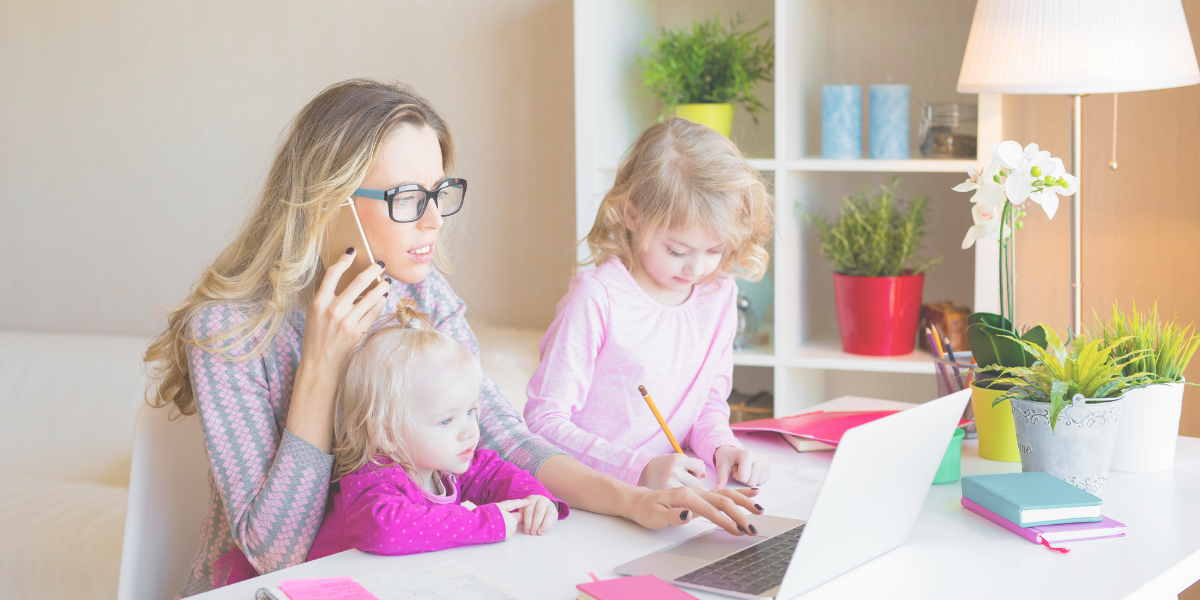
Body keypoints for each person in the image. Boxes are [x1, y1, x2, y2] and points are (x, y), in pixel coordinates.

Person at [143, 79, 763, 597]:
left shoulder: (421, 294)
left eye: (439, 193)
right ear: (325, 198)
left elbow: (509, 440)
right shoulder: (229, 330)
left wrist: (629, 500)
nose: (435, 220)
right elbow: (277, 553)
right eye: (408, 198)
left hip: (404, 574)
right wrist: (321, 366)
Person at [524, 118, 774, 491]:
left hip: (668, 494)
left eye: (716, 250)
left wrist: (723, 447)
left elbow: (707, 403)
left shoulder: (717, 292)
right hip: (597, 496)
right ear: (633, 214)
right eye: (678, 250)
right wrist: (638, 468)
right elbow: (543, 423)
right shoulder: (597, 299)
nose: (697, 267)